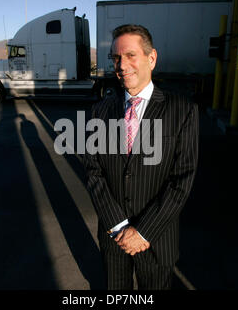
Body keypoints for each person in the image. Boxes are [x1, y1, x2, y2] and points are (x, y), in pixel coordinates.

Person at [83, 24, 199, 290]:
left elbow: (182, 179)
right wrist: (118, 225)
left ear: (152, 58)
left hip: (156, 239)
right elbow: (93, 170)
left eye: (130, 55)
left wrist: (143, 231)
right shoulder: (99, 112)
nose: (122, 65)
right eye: (116, 58)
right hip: (114, 238)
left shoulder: (182, 111)